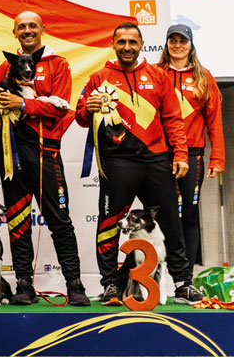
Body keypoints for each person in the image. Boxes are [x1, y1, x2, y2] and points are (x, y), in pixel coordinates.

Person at [78, 22, 203, 305]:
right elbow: (81, 117)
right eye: (121, 42)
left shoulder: (158, 75)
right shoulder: (99, 78)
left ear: (141, 45)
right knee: (109, 224)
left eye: (132, 42)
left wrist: (180, 154)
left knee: (171, 222)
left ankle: (182, 283)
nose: (127, 47)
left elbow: (173, 119)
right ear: (113, 44)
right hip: (117, 162)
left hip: (156, 160)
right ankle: (110, 285)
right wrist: (87, 109)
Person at [0, 12, 89, 307]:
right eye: (22, 27)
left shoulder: (58, 64)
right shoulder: (5, 67)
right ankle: (23, 284)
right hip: (12, 153)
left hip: (46, 152)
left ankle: (75, 284)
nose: (28, 30)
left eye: (33, 26)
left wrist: (23, 104)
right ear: (15, 32)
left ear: (42, 29)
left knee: (59, 220)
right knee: (18, 221)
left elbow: (61, 108)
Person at [157, 23, 224, 271]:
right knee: (163, 214)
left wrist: (217, 159)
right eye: (172, 40)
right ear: (166, 44)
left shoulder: (203, 77)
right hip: (160, 155)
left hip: (193, 156)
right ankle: (163, 272)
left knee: (189, 214)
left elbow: (214, 121)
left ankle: (185, 276)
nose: (177, 45)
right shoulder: (155, 74)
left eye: (182, 41)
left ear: (191, 45)